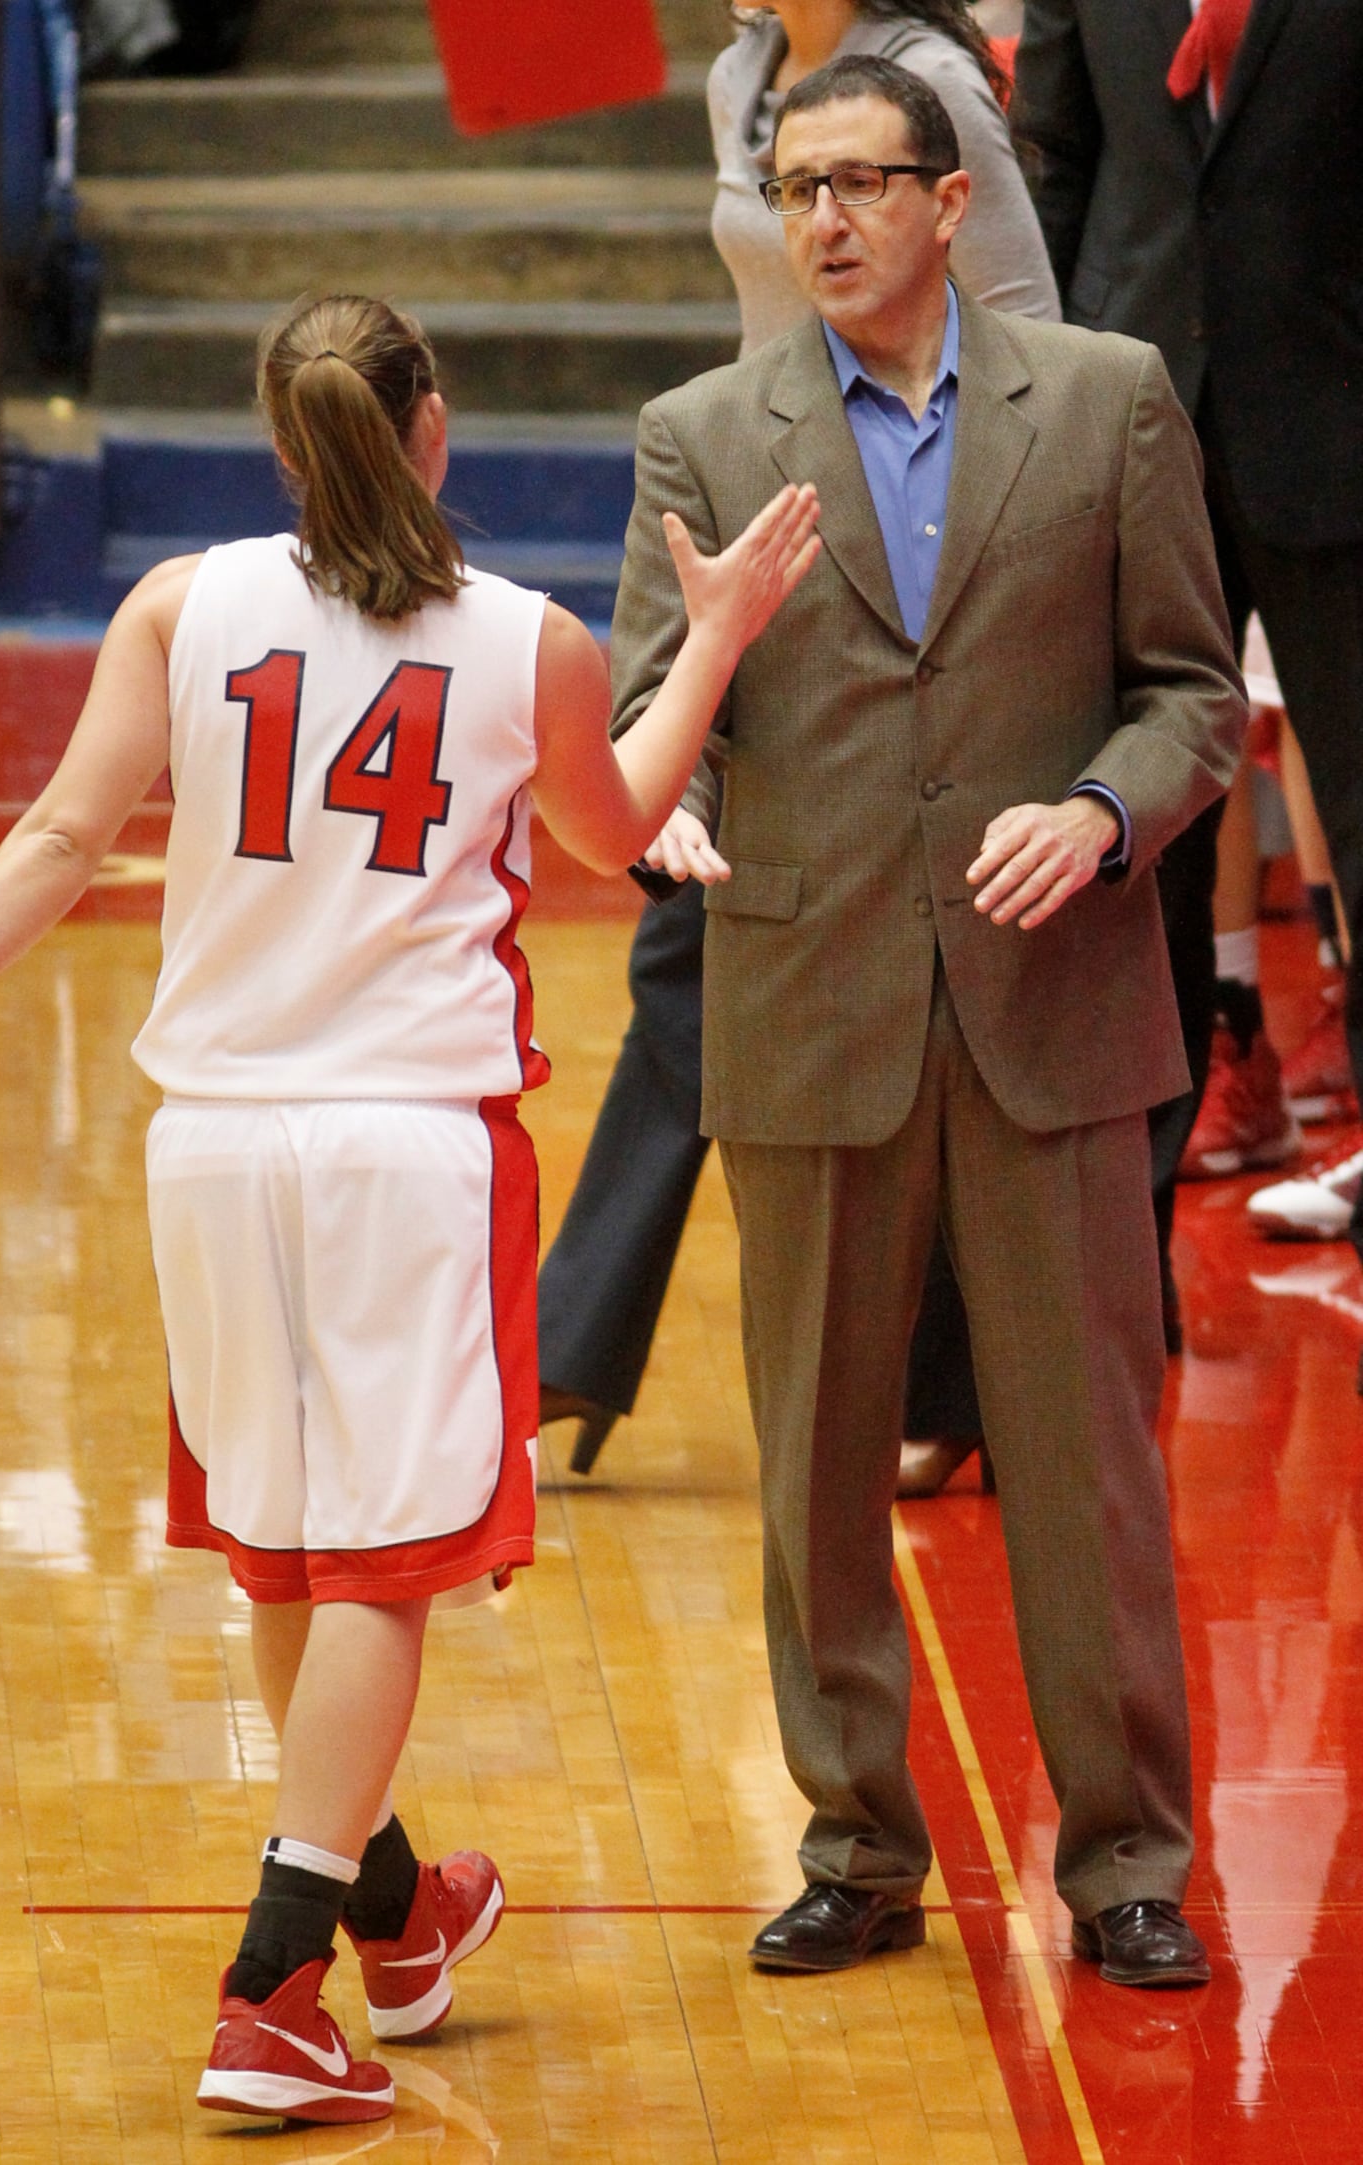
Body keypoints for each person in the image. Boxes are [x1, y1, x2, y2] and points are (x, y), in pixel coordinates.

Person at [0, 293, 820, 2123]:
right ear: (432, 427)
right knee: (380, 1565)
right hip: (401, 1148)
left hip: (210, 1141)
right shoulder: (527, 644)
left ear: (283, 444)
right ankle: (269, 1990)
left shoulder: (175, 605)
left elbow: (57, 837)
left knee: (291, 1547)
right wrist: (722, 636)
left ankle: (398, 1908)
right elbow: (623, 832)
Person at [612, 55, 1244, 1985]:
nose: (823, 220)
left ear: (951, 202)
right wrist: (687, 820)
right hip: (812, 1008)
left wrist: (1105, 807)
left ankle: (1129, 1857)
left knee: (1088, 1468)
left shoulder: (1112, 403)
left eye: (860, 184)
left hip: (1052, 1010)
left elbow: (1194, 697)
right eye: (795, 188)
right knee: (815, 1461)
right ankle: (856, 1840)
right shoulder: (706, 436)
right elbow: (657, 730)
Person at [537, 0, 1059, 1485]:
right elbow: (769, 317)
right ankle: (577, 1342)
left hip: (909, 552)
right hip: (765, 524)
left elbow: (1032, 344)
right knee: (694, 919)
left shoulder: (937, 83)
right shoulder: (740, 74)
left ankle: (585, 1345)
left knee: (907, 952)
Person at [1013, 0, 1363, 1303]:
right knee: (1137, 843)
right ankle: (1122, 1262)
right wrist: (1043, 404)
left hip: (1334, 416)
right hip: (1137, 424)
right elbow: (1059, 166)